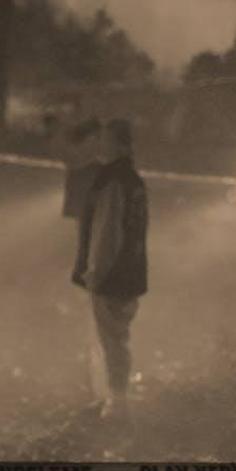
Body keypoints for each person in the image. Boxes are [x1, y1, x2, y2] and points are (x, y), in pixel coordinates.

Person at [72, 118, 147, 420]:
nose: (99, 144)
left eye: (104, 139)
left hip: (111, 274)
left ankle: (116, 402)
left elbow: (107, 231)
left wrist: (95, 271)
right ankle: (109, 397)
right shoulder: (132, 179)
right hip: (130, 270)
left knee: (110, 338)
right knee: (114, 336)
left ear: (118, 143)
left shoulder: (112, 180)